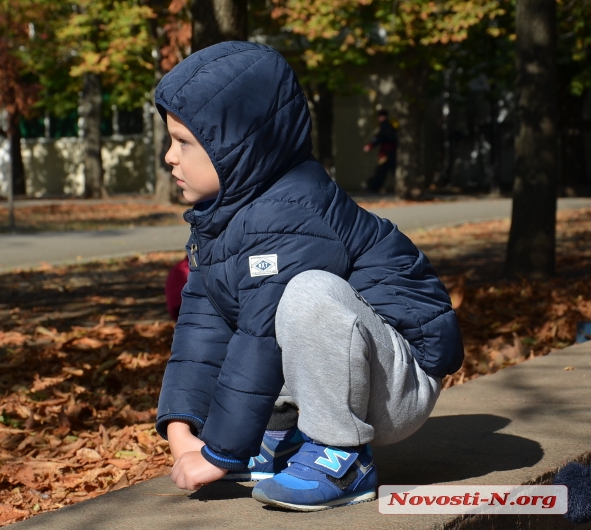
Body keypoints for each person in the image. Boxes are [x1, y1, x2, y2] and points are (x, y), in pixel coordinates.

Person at [154, 42, 463, 512]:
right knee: (247, 303)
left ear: (240, 146)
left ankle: (342, 455)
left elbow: (260, 338)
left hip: (398, 382)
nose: (169, 157)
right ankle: (285, 435)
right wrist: (182, 429)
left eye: (185, 143)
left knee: (305, 295)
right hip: (352, 374)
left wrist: (218, 454)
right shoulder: (221, 219)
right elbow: (202, 325)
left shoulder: (291, 210)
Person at [362, 109, 398, 193]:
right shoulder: (388, 126)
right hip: (389, 152)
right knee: (387, 170)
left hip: (386, 153)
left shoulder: (385, 126)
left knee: (381, 171)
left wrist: (370, 146)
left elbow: (379, 138)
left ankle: (373, 187)